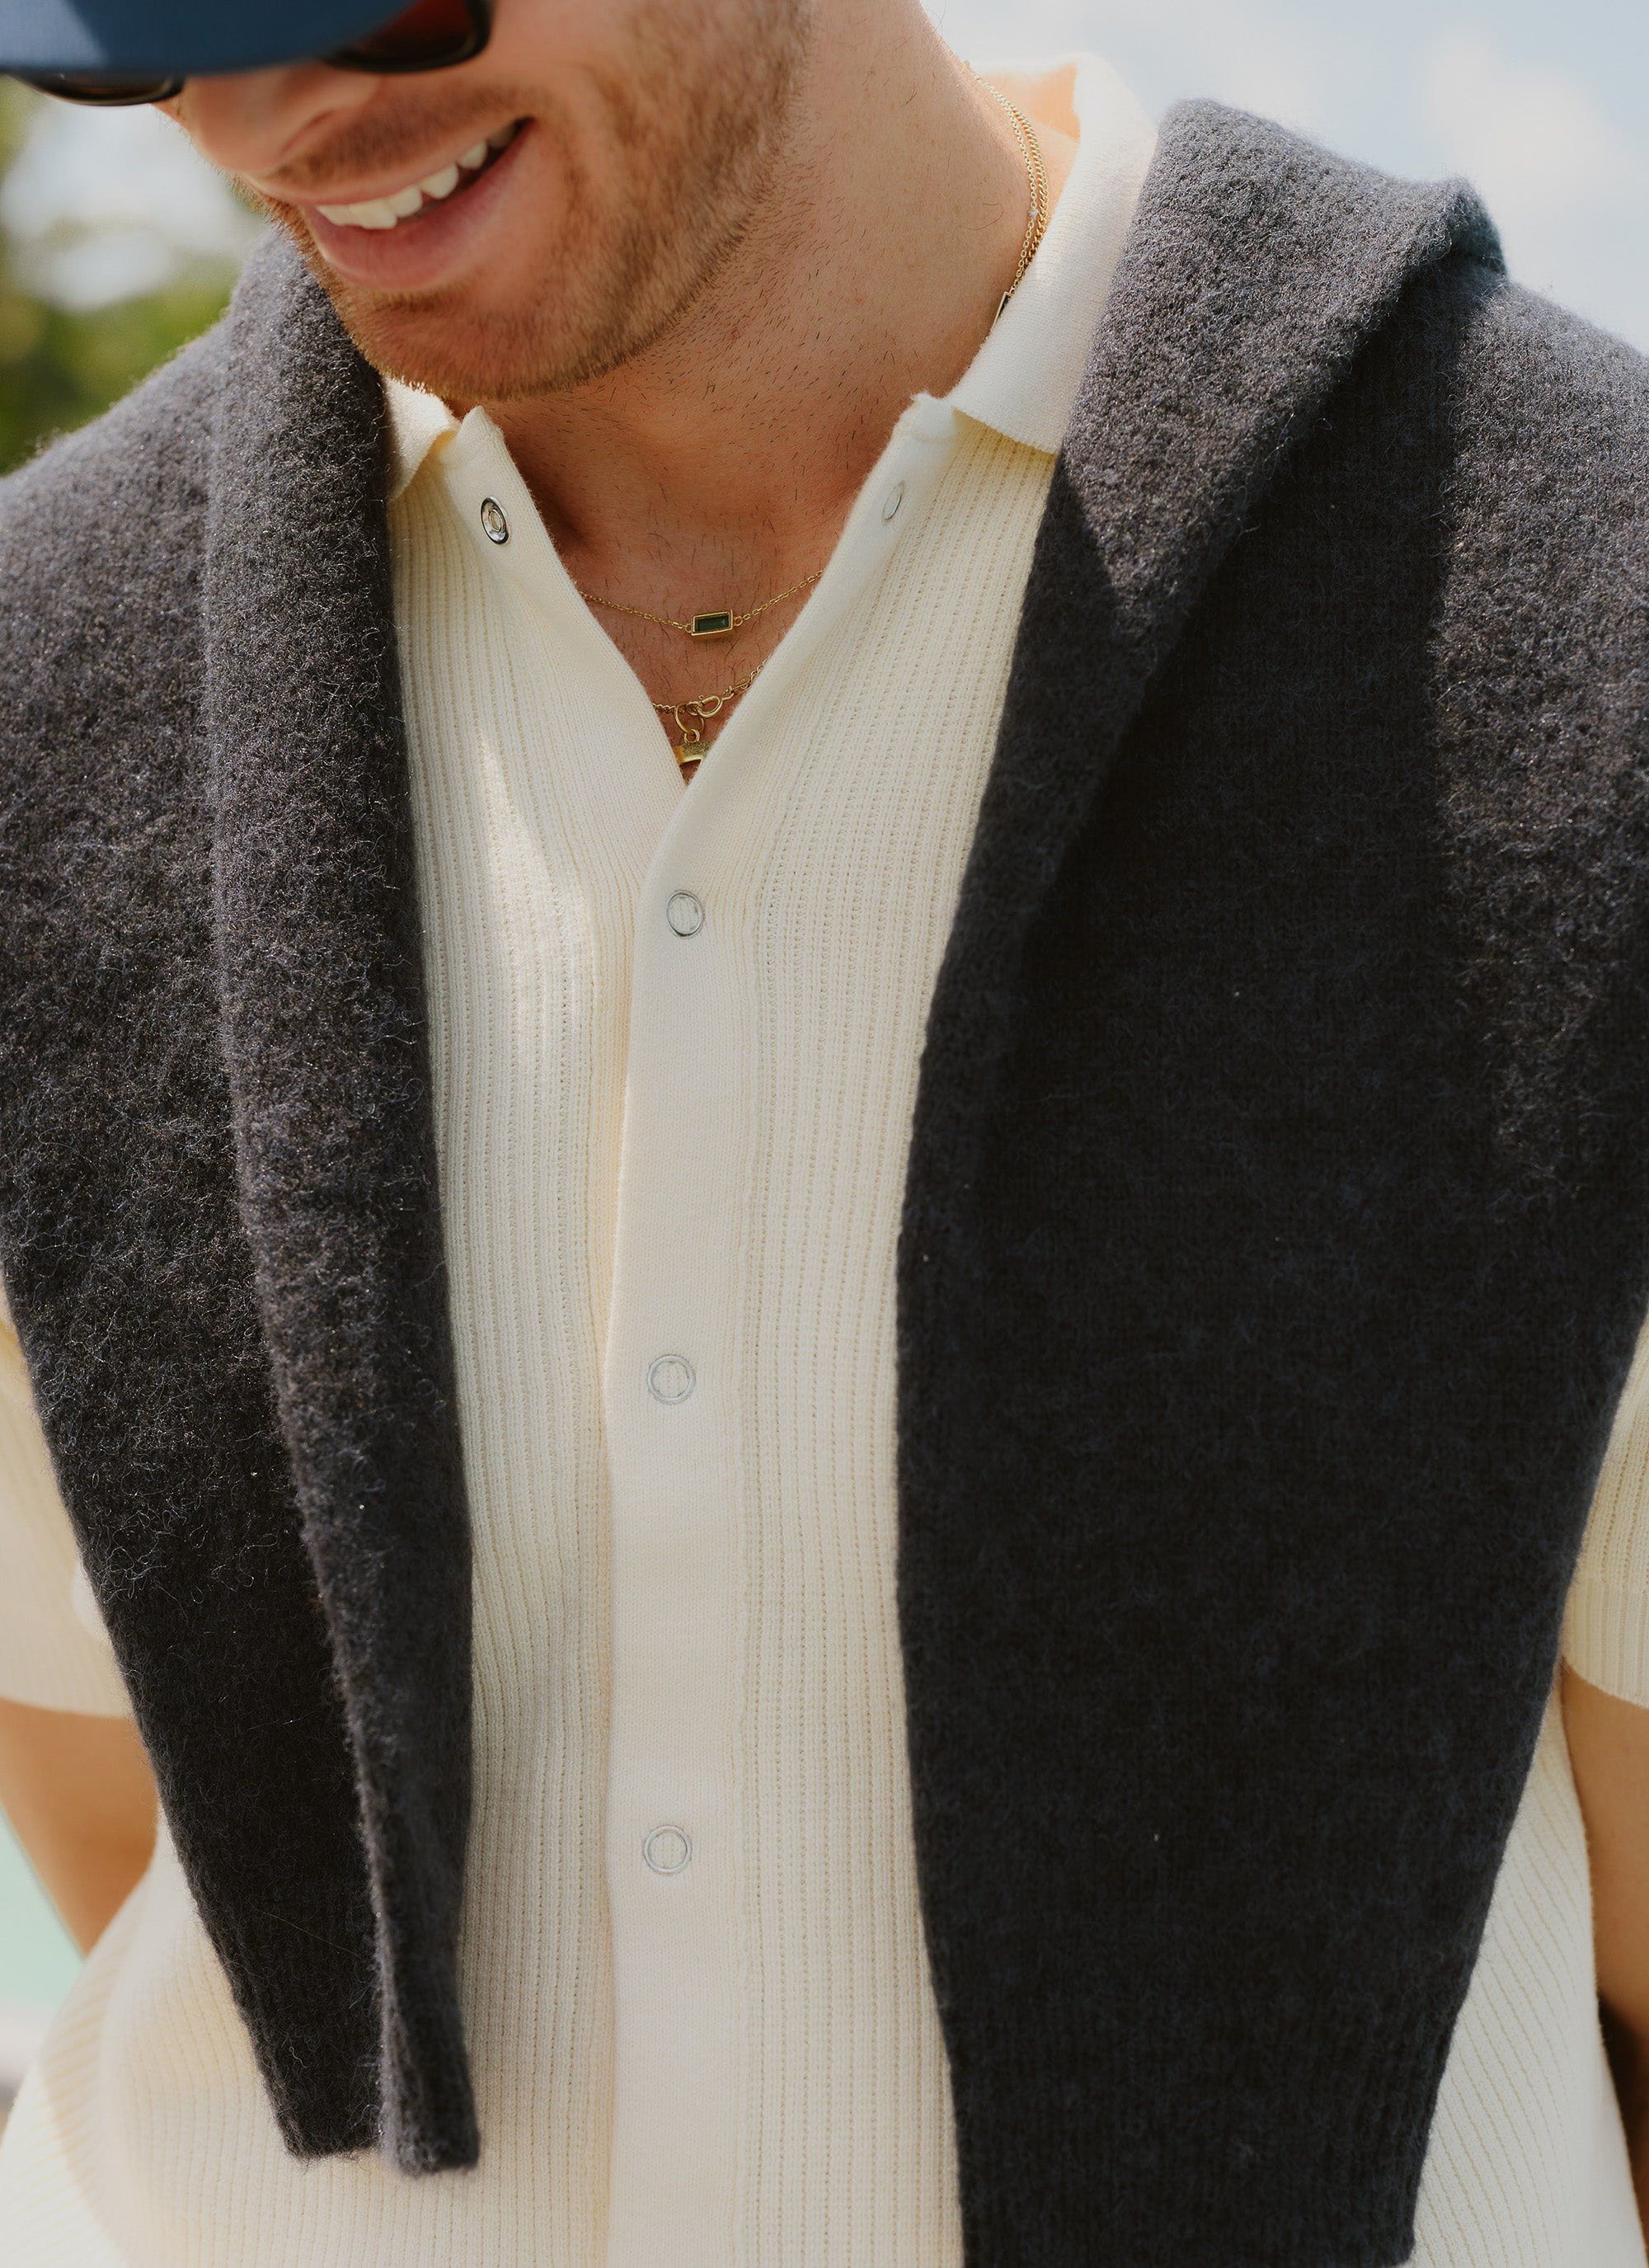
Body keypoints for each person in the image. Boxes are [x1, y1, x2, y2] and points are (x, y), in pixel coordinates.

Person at [0, 0, 1643, 2261]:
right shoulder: (45, 694)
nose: (263, 117)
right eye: (126, 33)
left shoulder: (1577, 610)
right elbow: (139, 1816)